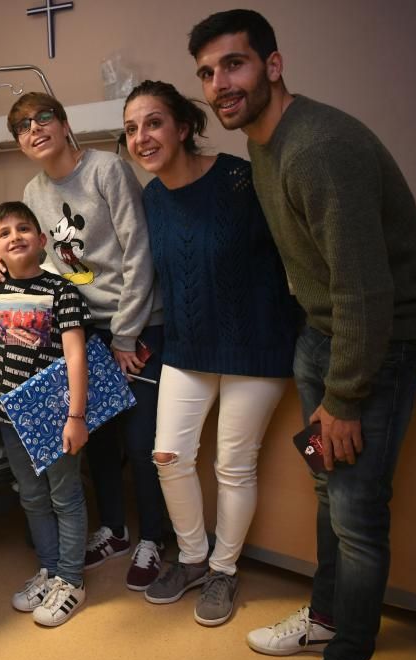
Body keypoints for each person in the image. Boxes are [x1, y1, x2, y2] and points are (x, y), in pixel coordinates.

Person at [189, 9, 416, 660]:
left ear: (273, 66)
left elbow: (366, 290)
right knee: (328, 486)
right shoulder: (263, 140)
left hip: (374, 345)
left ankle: (348, 648)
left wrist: (346, 398)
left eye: (234, 64)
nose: (220, 83)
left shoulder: (316, 149)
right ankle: (328, 616)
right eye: (207, 73)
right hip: (322, 334)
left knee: (356, 510)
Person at [122, 80, 298, 626]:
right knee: (167, 457)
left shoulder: (239, 178)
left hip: (255, 342)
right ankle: (193, 557)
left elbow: (291, 248)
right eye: (131, 129)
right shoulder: (151, 198)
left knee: (232, 466)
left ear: (181, 126)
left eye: (153, 123)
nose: (142, 137)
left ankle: (224, 569)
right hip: (188, 345)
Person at [0, 92, 170, 591]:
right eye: (23, 126)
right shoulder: (32, 190)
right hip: (83, 327)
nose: (35, 129)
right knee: (100, 441)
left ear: (64, 122)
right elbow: (43, 261)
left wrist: (126, 334)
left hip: (136, 324)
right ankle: (114, 529)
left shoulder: (107, 171)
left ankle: (154, 538)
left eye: (43, 118)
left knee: (140, 443)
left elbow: (140, 253)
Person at [0, 201, 90, 627]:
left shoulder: (62, 290)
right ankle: (49, 570)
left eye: (24, 228)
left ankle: (72, 580)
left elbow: (75, 356)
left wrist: (76, 416)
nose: (15, 236)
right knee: (31, 495)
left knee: (64, 496)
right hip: (13, 415)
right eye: (5, 233)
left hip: (55, 415)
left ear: (42, 240)